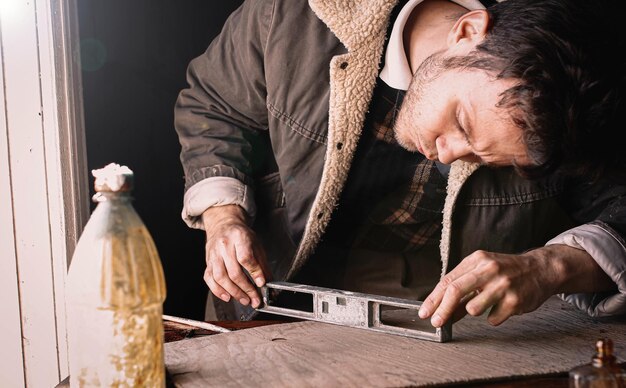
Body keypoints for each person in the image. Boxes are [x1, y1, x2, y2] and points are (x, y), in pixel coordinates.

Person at [174, 0, 626, 326]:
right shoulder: (294, 16)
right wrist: (222, 218)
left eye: (487, 159)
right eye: (462, 125)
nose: (447, 154)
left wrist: (550, 267)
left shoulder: (575, 117)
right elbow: (213, 106)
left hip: (426, 324)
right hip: (268, 299)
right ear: (467, 32)